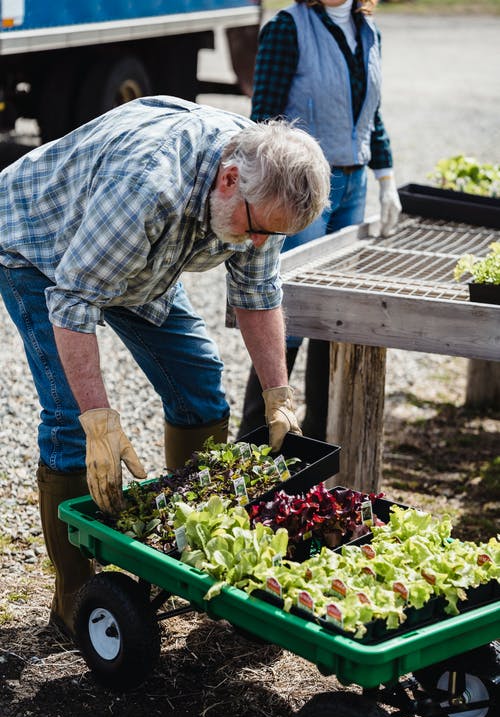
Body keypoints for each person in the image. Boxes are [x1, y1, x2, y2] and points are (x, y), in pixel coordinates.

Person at [0, 95, 331, 636]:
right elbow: (73, 303)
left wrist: (279, 393)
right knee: (68, 420)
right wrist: (100, 422)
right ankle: (75, 602)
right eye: (256, 231)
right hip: (40, 251)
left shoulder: (263, 187)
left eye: (271, 235)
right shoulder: (148, 187)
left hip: (132, 260)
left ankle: (186, 545)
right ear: (227, 180)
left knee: (200, 386)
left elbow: (258, 292)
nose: (257, 243)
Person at [237, 0, 402, 442]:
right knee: (287, 312)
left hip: (353, 188)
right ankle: (256, 442)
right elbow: (263, 119)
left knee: (335, 319)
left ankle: (317, 444)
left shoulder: (369, 31)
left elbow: (370, 114)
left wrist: (386, 177)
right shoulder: (288, 28)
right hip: (299, 189)